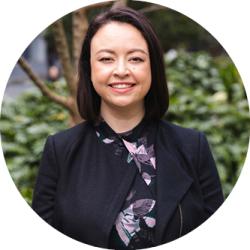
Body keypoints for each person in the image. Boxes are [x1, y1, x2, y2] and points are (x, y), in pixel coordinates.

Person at [32, 6, 224, 250]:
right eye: (106, 59)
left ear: (152, 67)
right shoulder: (60, 150)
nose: (121, 71)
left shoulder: (192, 146)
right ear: (89, 68)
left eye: (135, 58)